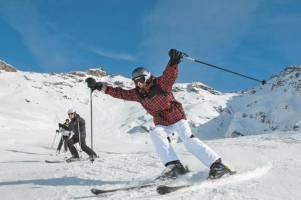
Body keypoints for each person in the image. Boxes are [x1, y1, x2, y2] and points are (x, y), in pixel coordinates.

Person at [86, 49, 233, 179]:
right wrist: (99, 86)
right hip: (162, 122)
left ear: (148, 77)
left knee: (188, 140)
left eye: (141, 80)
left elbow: (169, 75)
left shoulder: (160, 84)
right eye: (136, 82)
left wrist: (173, 61)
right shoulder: (138, 94)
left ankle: (217, 165)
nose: (139, 84)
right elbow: (120, 93)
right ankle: (175, 167)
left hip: (176, 117)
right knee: (156, 133)